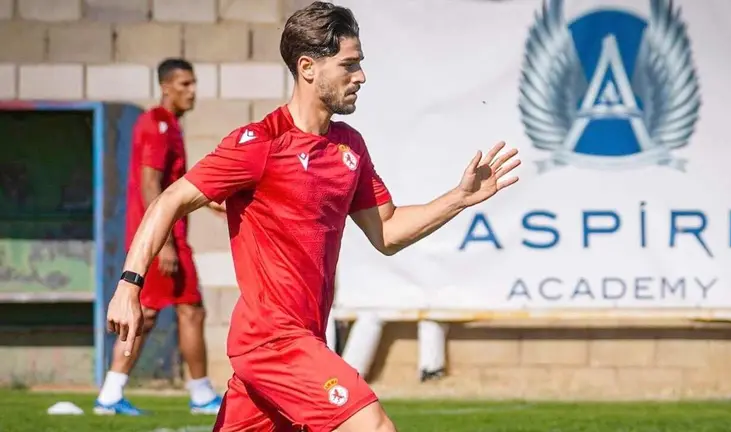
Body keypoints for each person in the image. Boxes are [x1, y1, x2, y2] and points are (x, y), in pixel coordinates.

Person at [105, 2, 520, 430]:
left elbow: (388, 232)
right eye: (349, 65)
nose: (361, 77)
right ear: (308, 67)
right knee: (374, 426)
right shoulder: (260, 143)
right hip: (272, 341)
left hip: (302, 340)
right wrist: (129, 285)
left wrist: (459, 197)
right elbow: (167, 201)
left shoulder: (350, 147)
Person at [95, 58, 225, 416]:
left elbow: (173, 188)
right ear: (166, 86)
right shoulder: (157, 125)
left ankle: (113, 393)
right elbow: (152, 185)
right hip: (161, 239)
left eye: (194, 83)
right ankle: (196, 395)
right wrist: (164, 242)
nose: (192, 91)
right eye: (184, 84)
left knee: (177, 312)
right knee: (168, 312)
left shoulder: (170, 126)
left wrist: (210, 202)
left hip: (166, 235)